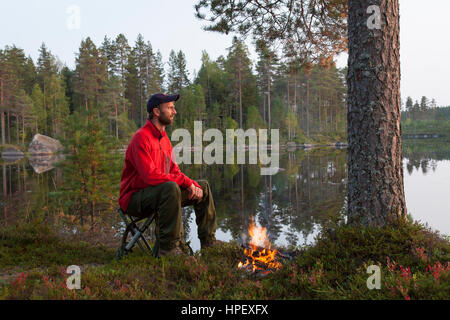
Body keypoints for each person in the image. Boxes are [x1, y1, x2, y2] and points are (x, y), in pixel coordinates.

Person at [119, 93, 221, 257]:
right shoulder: (141, 138)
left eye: (174, 108)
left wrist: (191, 184)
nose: (174, 111)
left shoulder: (164, 139)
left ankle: (209, 243)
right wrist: (186, 183)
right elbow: (150, 176)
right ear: (157, 112)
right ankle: (169, 249)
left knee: (204, 187)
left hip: (161, 194)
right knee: (171, 187)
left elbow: (173, 171)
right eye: (170, 108)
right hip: (134, 199)